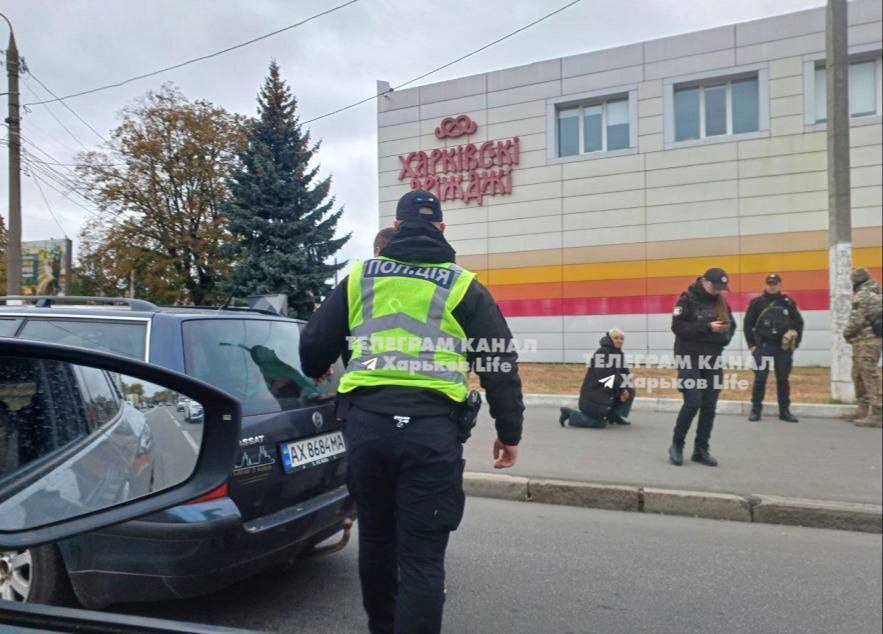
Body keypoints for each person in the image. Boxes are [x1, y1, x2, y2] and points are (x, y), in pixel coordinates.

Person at [299, 189, 524, 634]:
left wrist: (319, 363)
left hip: (368, 429)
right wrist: (509, 432)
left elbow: (313, 347)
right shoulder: (463, 285)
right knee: (422, 557)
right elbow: (499, 364)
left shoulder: (361, 276)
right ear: (442, 228)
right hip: (431, 434)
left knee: (376, 541)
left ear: (397, 227)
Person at [668, 267, 736, 467]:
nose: (718, 291)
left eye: (721, 288)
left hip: (712, 359)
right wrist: (707, 328)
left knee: (709, 405)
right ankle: (677, 445)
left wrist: (724, 336)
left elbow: (731, 326)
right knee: (693, 402)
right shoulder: (686, 300)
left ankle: (701, 450)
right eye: (715, 287)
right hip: (689, 358)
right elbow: (677, 328)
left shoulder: (721, 303)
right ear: (705, 282)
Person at [743, 273, 804, 423]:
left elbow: (799, 323)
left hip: (782, 347)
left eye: (775, 284)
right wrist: (752, 345)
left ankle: (784, 411)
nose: (772, 286)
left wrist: (795, 343)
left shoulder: (787, 302)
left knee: (783, 379)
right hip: (763, 346)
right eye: (770, 283)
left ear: (780, 285)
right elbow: (747, 325)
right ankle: (756, 410)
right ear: (766, 285)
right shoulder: (757, 303)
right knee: (760, 378)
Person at [559, 328, 635, 428]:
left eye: (621, 338)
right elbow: (606, 377)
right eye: (616, 338)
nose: (619, 340)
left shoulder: (619, 354)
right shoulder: (602, 353)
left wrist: (627, 383)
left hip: (606, 391)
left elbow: (625, 372)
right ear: (610, 339)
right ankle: (570, 413)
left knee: (630, 386)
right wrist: (622, 390)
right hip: (595, 393)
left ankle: (613, 415)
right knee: (598, 424)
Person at [843, 268, 882, 428]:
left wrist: (846, 333)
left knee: (868, 375)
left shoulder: (863, 295)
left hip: (867, 340)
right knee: (858, 374)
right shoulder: (876, 292)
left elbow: (856, 320)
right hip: (868, 340)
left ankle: (877, 414)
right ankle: (863, 410)